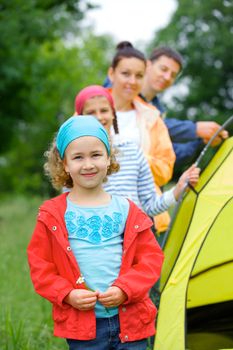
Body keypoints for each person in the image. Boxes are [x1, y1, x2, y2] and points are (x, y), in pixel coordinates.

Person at [27, 115, 164, 350]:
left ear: (108, 158)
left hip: (131, 321)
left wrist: (125, 289)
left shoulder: (128, 210)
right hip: (84, 329)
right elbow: (41, 267)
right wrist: (68, 294)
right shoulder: (53, 214)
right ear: (64, 164)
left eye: (96, 155)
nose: (88, 164)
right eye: (78, 157)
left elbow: (150, 260)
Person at [74, 85, 200, 242]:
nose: (99, 117)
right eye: (91, 112)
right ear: (80, 117)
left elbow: (150, 205)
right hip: (96, 248)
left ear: (113, 114)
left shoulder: (132, 150)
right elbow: (73, 213)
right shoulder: (74, 158)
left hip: (136, 244)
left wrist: (178, 189)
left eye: (104, 111)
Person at [105, 44, 176, 232]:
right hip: (95, 214)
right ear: (112, 74)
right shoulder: (88, 111)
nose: (132, 81)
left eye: (138, 75)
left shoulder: (152, 118)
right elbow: (68, 162)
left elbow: (165, 169)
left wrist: (136, 157)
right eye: (126, 74)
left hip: (141, 218)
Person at [140, 46, 229, 173]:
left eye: (173, 75)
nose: (167, 77)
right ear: (148, 65)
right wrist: (195, 128)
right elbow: (148, 125)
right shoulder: (121, 95)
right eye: (163, 69)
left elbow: (171, 154)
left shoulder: (159, 110)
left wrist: (202, 141)